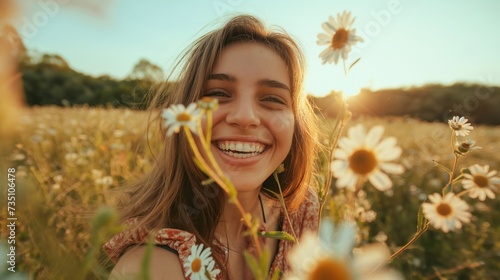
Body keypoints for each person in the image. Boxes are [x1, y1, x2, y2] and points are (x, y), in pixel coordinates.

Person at [104, 14, 320, 280]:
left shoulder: (301, 210)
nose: (245, 117)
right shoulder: (151, 266)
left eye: (273, 98)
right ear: (184, 113)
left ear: (296, 123)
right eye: (218, 93)